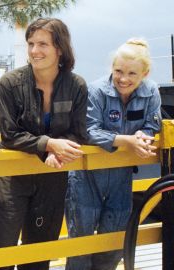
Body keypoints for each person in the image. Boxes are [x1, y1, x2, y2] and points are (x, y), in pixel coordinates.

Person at [0, 18, 88, 270]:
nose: (35, 51)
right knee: (2, 251)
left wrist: (59, 148)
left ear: (60, 48)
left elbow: (79, 132)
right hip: (12, 179)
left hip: (52, 177)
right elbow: (10, 134)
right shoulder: (10, 84)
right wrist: (49, 145)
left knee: (39, 254)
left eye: (43, 44)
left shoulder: (76, 86)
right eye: (31, 43)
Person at [65, 38, 161, 270]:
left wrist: (143, 135)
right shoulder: (96, 91)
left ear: (144, 73)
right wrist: (128, 141)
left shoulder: (151, 92)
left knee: (114, 242)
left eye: (132, 73)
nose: (123, 79)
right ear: (111, 68)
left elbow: (153, 124)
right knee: (81, 244)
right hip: (86, 178)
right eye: (118, 71)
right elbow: (87, 131)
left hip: (121, 177)